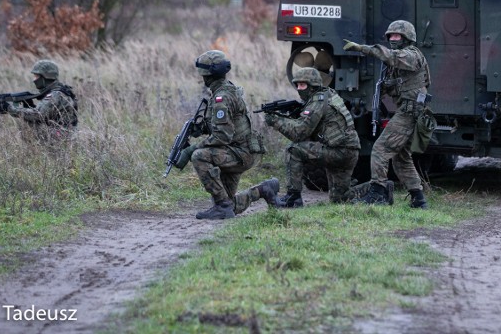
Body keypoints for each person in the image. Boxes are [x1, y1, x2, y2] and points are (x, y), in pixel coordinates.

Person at [173, 50, 279, 220]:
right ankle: (263, 190)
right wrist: (203, 129)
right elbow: (227, 127)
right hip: (239, 150)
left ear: (207, 76)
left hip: (240, 153)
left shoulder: (222, 98)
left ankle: (222, 206)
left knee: (199, 156)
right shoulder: (227, 89)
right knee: (230, 206)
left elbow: (222, 137)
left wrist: (190, 150)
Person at [343, 20, 431, 209]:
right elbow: (391, 84)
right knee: (401, 157)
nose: (393, 39)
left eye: (397, 36)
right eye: (390, 36)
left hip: (410, 112)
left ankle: (378, 193)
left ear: (407, 38)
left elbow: (390, 55)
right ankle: (419, 199)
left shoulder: (411, 56)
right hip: (407, 110)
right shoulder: (396, 63)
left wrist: (364, 48)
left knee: (380, 150)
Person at [264, 67, 366, 208]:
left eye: (303, 85)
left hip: (339, 152)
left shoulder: (317, 101)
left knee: (293, 149)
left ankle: (293, 197)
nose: (300, 89)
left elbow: (299, 133)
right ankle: (379, 189)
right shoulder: (328, 94)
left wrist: (275, 121)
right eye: (297, 85)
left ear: (313, 86)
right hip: (348, 151)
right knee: (340, 198)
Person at [4, 59, 78, 137]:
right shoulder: (60, 90)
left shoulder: (55, 94)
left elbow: (38, 115)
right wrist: (29, 105)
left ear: (45, 77)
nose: (34, 80)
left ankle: (32, 148)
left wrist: (11, 109)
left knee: (27, 124)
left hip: (63, 135)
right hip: (66, 132)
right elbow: (46, 114)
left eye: (36, 76)